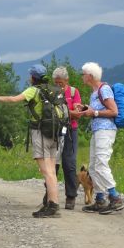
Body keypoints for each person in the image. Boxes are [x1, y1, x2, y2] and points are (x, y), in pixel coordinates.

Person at [0, 64, 61, 218]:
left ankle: (53, 206)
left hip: (40, 133)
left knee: (46, 172)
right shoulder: (53, 89)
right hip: (54, 133)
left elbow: (13, 99)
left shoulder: (34, 90)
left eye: (30, 75)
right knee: (51, 171)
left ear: (33, 77)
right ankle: (52, 203)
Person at [79, 62, 124, 215]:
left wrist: (95, 113)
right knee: (93, 166)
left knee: (101, 163)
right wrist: (86, 109)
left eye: (83, 74)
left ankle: (115, 197)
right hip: (97, 131)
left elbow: (114, 111)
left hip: (105, 130)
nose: (82, 76)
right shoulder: (95, 92)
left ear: (90, 76)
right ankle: (99, 199)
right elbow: (96, 110)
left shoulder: (104, 89)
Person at [52, 66, 82, 210]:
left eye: (61, 83)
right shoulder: (51, 92)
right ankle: (50, 196)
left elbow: (78, 114)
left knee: (69, 163)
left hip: (70, 130)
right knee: (52, 164)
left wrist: (62, 111)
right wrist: (69, 112)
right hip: (54, 130)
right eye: (56, 82)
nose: (58, 85)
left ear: (67, 80)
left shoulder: (74, 92)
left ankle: (71, 196)